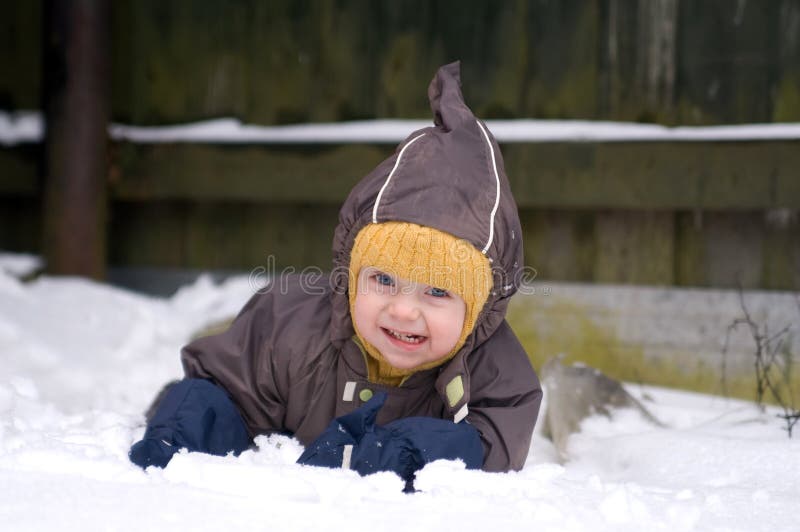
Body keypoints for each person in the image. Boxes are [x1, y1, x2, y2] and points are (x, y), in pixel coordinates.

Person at [129, 62, 542, 482]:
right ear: (351, 276)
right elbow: (226, 389)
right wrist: (189, 426)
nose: (402, 311)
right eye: (383, 280)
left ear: (477, 309)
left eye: (436, 292)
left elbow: (496, 441)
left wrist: (423, 447)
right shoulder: (290, 326)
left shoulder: (493, 370)